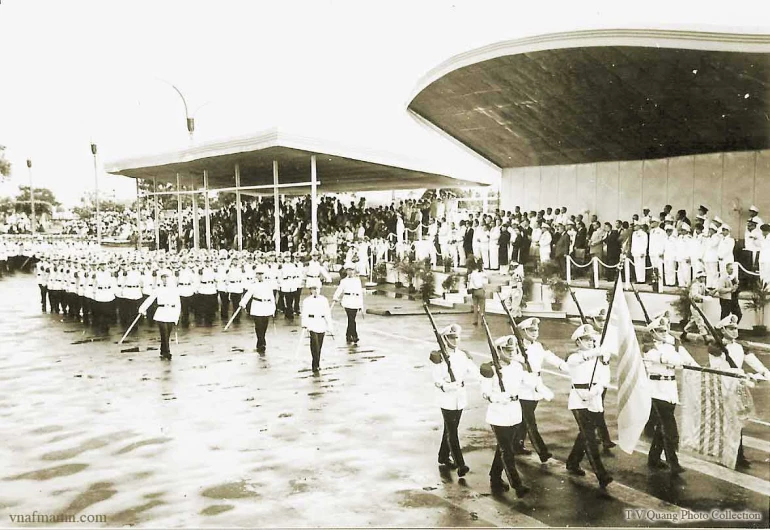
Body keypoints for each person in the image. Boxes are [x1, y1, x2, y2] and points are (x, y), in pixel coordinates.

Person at [711, 314, 770, 467]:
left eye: (736, 328)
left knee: (739, 422)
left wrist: (765, 373)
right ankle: (727, 456)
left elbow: (755, 363)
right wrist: (738, 372)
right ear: (723, 330)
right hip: (724, 388)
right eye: (731, 328)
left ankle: (738, 455)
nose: (735, 331)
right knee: (728, 423)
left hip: (738, 388)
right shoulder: (716, 348)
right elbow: (716, 369)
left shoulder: (740, 346)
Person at [643, 314, 697, 474]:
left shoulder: (673, 344)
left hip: (671, 388)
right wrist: (676, 352)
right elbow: (668, 360)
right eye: (659, 330)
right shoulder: (648, 347)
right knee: (669, 427)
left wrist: (698, 369)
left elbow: (689, 361)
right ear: (652, 332)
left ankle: (653, 458)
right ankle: (673, 462)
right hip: (656, 388)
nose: (664, 333)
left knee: (662, 425)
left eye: (665, 330)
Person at [564, 324, 614, 488]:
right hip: (579, 399)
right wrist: (597, 351)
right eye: (586, 340)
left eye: (592, 340)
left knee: (585, 433)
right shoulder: (573, 356)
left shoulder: (597, 359)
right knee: (590, 437)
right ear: (578, 342)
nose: (591, 342)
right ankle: (601, 474)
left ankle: (572, 462)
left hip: (594, 398)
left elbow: (604, 377)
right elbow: (577, 361)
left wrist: (597, 390)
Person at [480, 336, 530, 497]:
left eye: (513, 350)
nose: (511, 353)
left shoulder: (517, 366)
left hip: (515, 412)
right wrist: (498, 398)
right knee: (507, 450)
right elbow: (485, 393)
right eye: (508, 350)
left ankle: (495, 477)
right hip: (498, 414)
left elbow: (526, 382)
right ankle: (517, 485)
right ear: (499, 351)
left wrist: (539, 389)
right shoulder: (490, 369)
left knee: (503, 447)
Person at [513, 317, 565, 461]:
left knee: (524, 420)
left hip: (536, 384)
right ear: (523, 331)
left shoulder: (539, 346)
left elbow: (552, 358)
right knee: (530, 421)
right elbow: (517, 368)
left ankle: (517, 445)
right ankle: (542, 451)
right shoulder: (517, 348)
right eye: (531, 330)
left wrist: (566, 367)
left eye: (536, 330)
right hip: (523, 387)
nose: (535, 333)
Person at [430, 324, 478, 477]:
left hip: (460, 397)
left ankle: (443, 456)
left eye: (457, 337)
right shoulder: (438, 358)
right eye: (451, 337)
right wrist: (450, 386)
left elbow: (475, 372)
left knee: (451, 428)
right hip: (447, 398)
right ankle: (460, 464)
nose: (455, 340)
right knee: (452, 431)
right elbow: (437, 381)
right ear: (445, 338)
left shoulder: (462, 355)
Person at [138, 270, 181, 360]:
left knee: (167, 333)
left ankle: (163, 350)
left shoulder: (174, 289)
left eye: (166, 277)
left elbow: (178, 303)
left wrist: (177, 316)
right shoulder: (158, 289)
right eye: (163, 277)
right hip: (161, 312)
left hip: (171, 312)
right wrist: (142, 308)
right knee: (164, 332)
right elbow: (150, 299)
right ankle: (167, 352)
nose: (165, 279)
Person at [240, 269, 276, 354]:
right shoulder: (253, 285)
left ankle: (261, 341)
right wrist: (243, 302)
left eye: (261, 274)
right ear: (256, 276)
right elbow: (248, 295)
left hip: (266, 306)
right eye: (258, 274)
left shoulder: (268, 285)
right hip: (257, 306)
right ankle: (261, 343)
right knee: (258, 326)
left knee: (264, 326)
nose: (260, 276)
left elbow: (272, 297)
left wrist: (273, 307)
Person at [301, 283, 334, 374]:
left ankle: (317, 362)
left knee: (319, 344)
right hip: (312, 323)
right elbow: (304, 313)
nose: (315, 291)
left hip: (321, 323)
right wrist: (304, 323)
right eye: (313, 289)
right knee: (314, 343)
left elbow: (327, 313)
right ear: (310, 290)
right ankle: (314, 364)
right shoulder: (307, 301)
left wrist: (330, 325)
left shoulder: (324, 300)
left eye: (317, 289)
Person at [680, 270, 714, 343]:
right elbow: (695, 295)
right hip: (695, 304)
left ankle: (683, 334)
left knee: (693, 321)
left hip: (700, 304)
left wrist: (715, 290)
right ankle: (706, 339)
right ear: (699, 277)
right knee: (700, 321)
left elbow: (707, 291)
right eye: (703, 277)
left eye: (705, 277)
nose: (704, 279)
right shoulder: (695, 285)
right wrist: (704, 297)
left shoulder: (702, 284)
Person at [334, 263, 364, 344]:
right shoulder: (344, 281)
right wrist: (335, 297)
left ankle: (348, 334)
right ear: (346, 271)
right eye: (348, 270)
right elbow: (339, 289)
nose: (350, 272)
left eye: (351, 270)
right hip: (347, 300)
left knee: (352, 318)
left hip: (355, 301)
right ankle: (354, 335)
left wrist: (361, 304)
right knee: (351, 318)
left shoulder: (357, 280)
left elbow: (360, 292)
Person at [468, 261, 487, 326]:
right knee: (482, 306)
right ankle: (482, 321)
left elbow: (470, 283)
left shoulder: (472, 274)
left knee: (475, 306)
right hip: (480, 290)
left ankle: (475, 320)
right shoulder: (482, 274)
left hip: (474, 291)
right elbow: (485, 282)